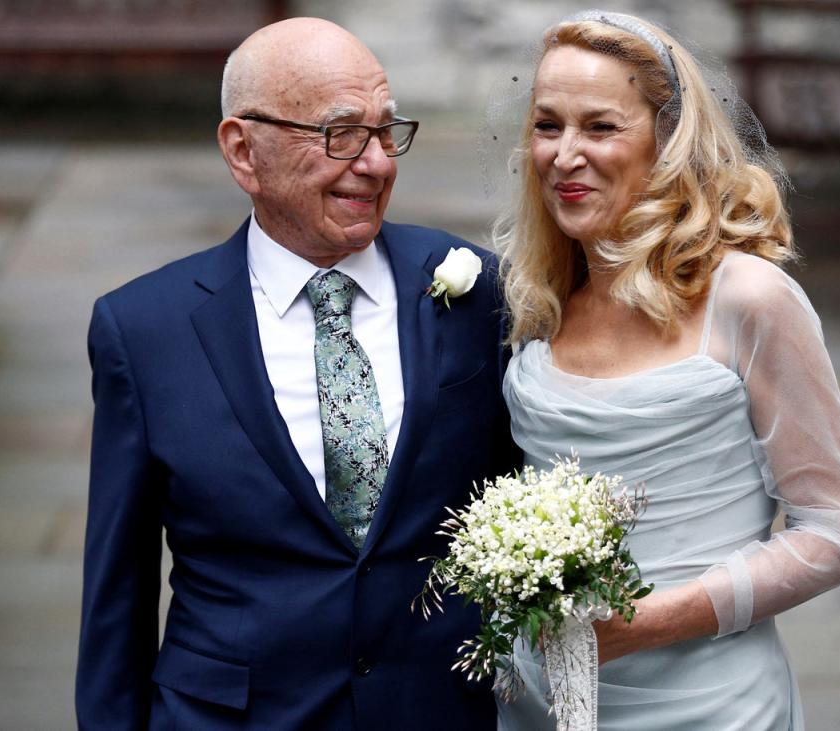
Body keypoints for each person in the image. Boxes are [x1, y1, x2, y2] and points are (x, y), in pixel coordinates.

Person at [76, 17, 518, 729]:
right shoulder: (144, 330)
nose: (375, 162)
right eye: (340, 134)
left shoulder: (475, 293)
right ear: (242, 150)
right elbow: (115, 601)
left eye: (385, 131)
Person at [495, 10, 840, 730]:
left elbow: (838, 529)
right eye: (548, 126)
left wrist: (649, 621)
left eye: (600, 127)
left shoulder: (749, 298)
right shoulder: (538, 294)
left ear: (667, 141)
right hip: (537, 703)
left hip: (708, 707)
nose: (565, 154)